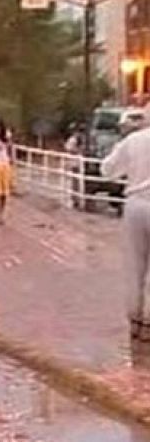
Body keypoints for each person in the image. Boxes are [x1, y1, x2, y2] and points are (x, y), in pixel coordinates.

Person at [103, 121, 150, 341]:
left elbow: (108, 170)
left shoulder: (133, 141)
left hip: (135, 204)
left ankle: (135, 320)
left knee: (134, 266)